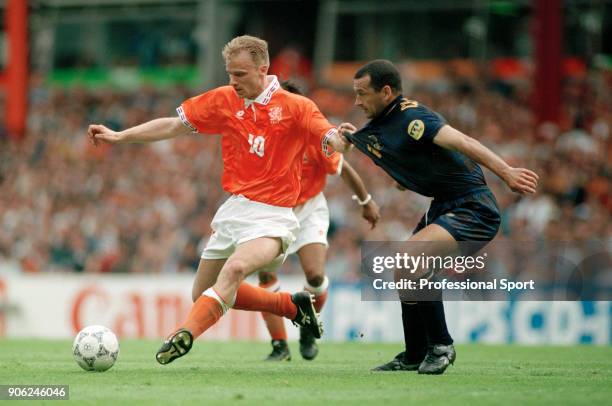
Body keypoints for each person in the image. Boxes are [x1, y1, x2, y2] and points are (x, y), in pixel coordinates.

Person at [87, 35, 349, 365]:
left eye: (240, 74)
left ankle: (183, 334)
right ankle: (291, 306)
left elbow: (328, 135)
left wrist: (341, 141)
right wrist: (121, 135)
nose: (232, 81)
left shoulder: (296, 107)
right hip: (235, 210)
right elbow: (172, 125)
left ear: (263, 69)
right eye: (229, 74)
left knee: (236, 268)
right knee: (202, 293)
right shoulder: (225, 99)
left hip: (274, 215)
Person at [337, 60, 538, 374]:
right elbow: (403, 161)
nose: (356, 101)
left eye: (362, 94)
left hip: (474, 208)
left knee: (409, 259)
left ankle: (441, 346)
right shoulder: (381, 125)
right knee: (403, 273)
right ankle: (415, 354)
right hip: (443, 206)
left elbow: (464, 143)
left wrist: (506, 172)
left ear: (386, 92)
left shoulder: (414, 117)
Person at [258, 82, 380, 362]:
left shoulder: (316, 139)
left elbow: (344, 169)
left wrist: (366, 202)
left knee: (314, 275)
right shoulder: (264, 136)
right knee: (266, 276)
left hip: (309, 209)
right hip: (274, 212)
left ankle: (307, 326)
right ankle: (279, 346)